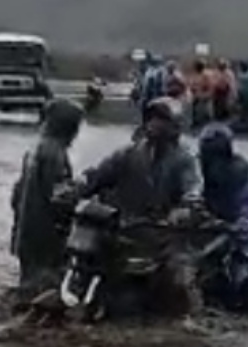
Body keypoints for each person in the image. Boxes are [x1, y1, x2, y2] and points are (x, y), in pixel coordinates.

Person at [75, 97, 204, 315]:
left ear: (175, 126)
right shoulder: (128, 153)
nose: (155, 124)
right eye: (152, 118)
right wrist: (76, 187)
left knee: (179, 283)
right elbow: (98, 175)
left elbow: (193, 189)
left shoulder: (185, 160)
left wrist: (184, 208)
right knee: (88, 259)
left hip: (165, 236)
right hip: (126, 231)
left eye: (162, 119)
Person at [10, 99, 85, 302]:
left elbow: (16, 194)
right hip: (46, 235)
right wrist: (80, 192)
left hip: (25, 232)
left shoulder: (34, 150)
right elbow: (60, 198)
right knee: (46, 288)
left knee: (28, 283)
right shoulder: (56, 154)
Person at [198, 123, 248, 311]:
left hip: (237, 234)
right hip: (202, 231)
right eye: (209, 154)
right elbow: (190, 195)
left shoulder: (240, 170)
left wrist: (241, 225)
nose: (213, 162)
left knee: (245, 283)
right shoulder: (194, 166)